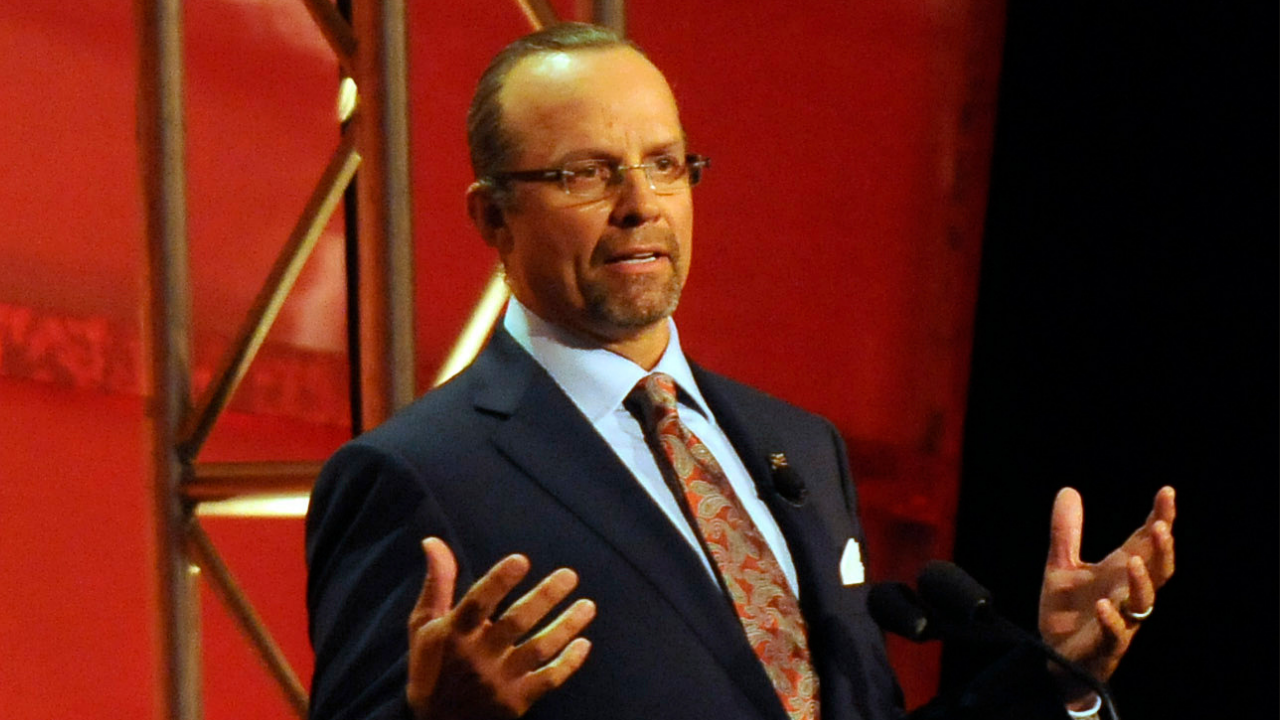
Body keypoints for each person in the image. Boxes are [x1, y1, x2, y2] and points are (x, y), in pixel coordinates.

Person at [305, 23, 1176, 720]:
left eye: (664, 163)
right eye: (587, 175)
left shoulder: (798, 445)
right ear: (493, 216)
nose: (641, 204)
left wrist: (1056, 673)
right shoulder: (417, 475)